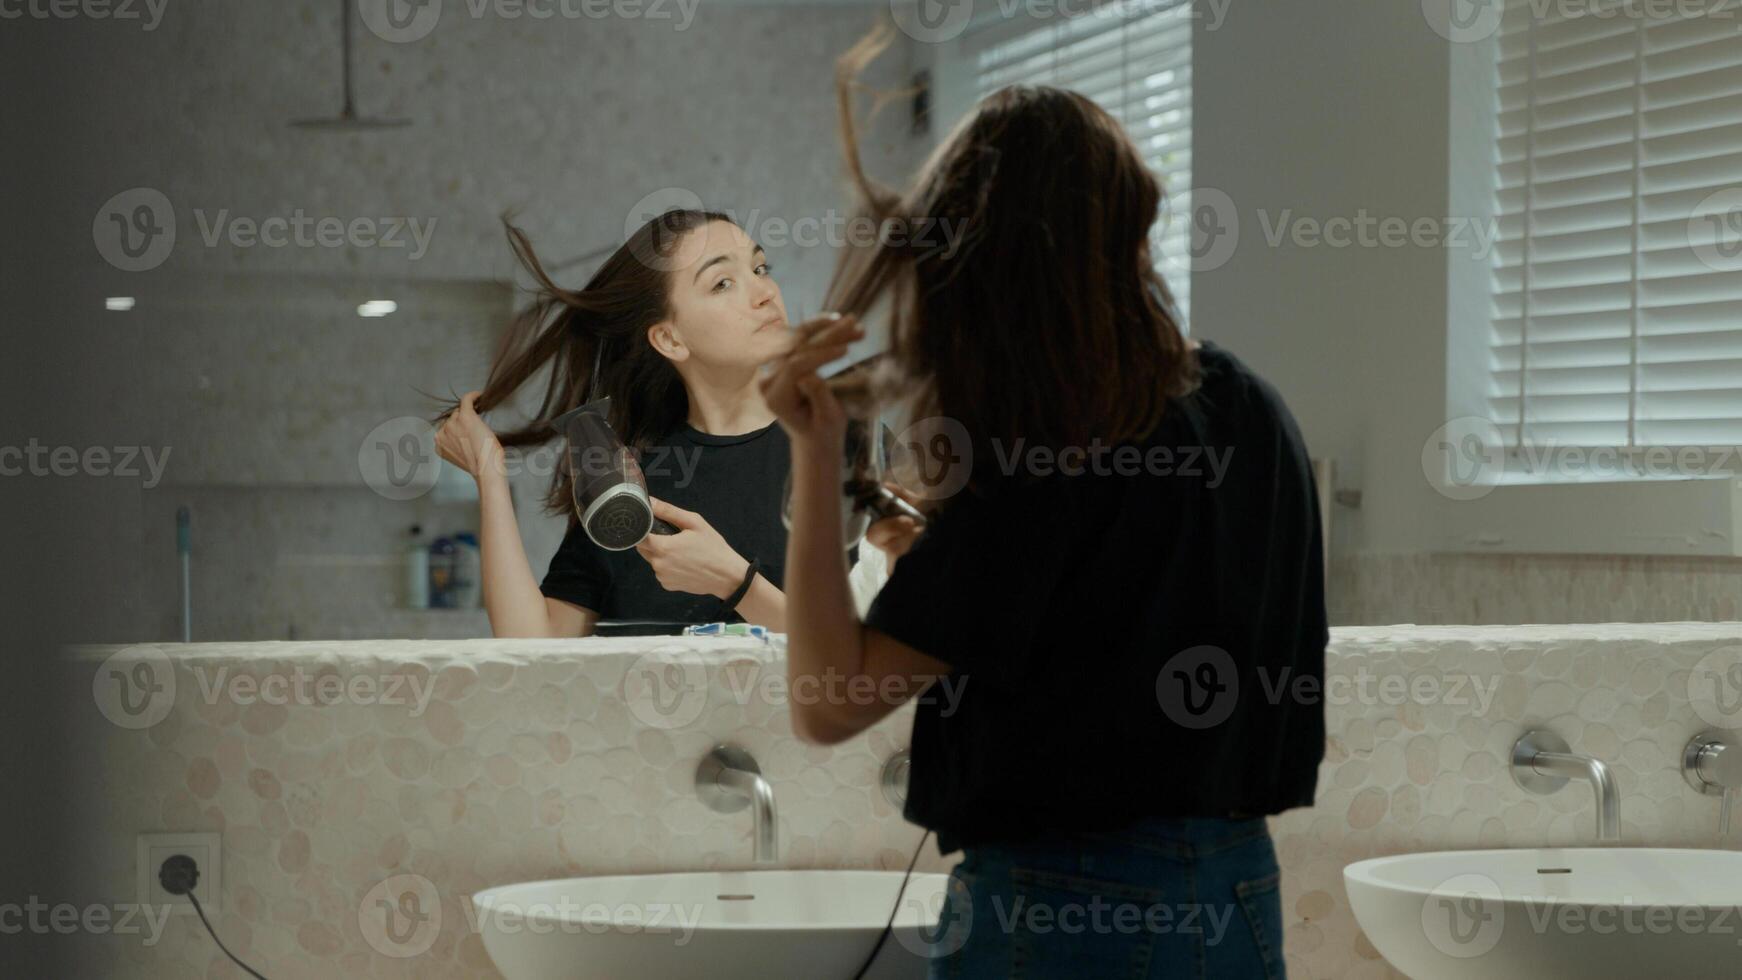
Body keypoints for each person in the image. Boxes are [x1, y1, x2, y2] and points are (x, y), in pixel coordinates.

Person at [757, 26, 1326, 980]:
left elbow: (827, 702)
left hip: (1065, 905)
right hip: (1239, 894)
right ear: (1131, 231)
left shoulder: (1048, 452)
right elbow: (1119, 609)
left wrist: (815, 456)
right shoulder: (1252, 411)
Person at [434, 209, 888, 637]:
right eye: (723, 283)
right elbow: (532, 647)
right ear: (670, 338)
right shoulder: (632, 481)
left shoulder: (851, 442)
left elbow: (878, 646)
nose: (765, 292)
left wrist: (734, 582)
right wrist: (490, 476)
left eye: (760, 269)